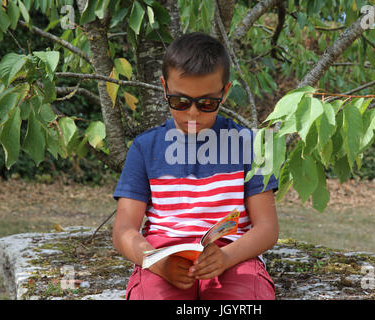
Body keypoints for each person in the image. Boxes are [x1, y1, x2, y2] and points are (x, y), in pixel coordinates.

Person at [112, 32, 279, 300]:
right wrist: (156, 262)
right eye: (180, 101)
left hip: (234, 255)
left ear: (225, 92)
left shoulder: (250, 144)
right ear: (164, 87)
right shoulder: (145, 148)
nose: (192, 114)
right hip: (162, 256)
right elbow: (123, 230)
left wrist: (225, 258)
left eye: (206, 104)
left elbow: (267, 228)